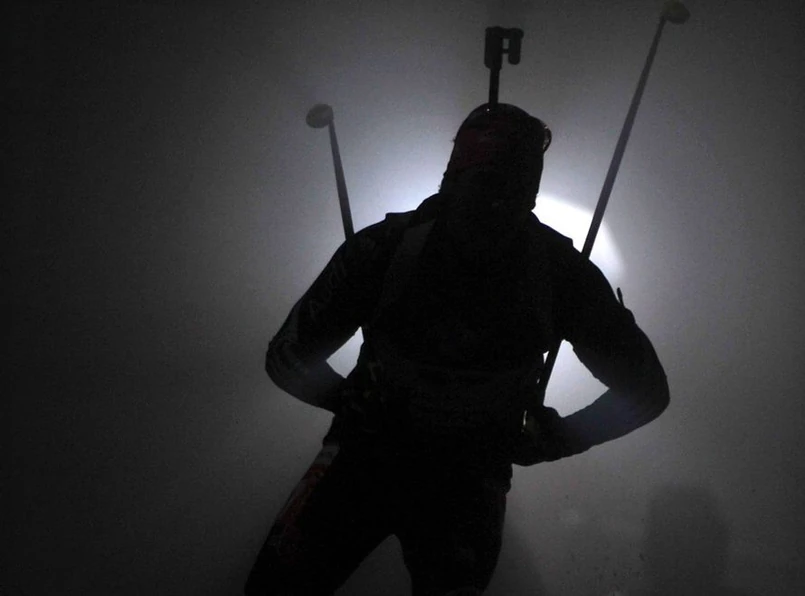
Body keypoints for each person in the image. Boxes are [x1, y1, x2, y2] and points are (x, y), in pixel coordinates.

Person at [245, 103, 670, 596]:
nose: (493, 206)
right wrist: (343, 397)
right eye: (484, 184)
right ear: (452, 181)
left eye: (509, 188)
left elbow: (647, 389)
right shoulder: (386, 251)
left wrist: (561, 437)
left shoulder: (556, 274)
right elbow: (287, 352)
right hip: (372, 461)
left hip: (459, 480)